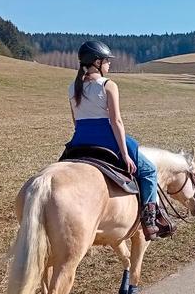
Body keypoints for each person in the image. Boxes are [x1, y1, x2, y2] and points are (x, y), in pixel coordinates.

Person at [66, 40, 171, 241]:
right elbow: (116, 121)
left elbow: (75, 122)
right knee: (149, 170)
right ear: (97, 62)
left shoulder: (72, 88)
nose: (109, 65)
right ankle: (149, 220)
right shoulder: (108, 85)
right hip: (107, 138)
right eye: (106, 61)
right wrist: (124, 154)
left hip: (80, 140)